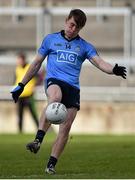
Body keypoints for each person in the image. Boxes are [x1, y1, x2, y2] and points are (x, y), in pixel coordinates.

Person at [11, 9, 127, 174]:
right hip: (54, 81)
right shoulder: (50, 40)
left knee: (65, 128)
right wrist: (21, 85)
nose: (73, 29)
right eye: (72, 24)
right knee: (55, 97)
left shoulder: (85, 47)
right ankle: (38, 140)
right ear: (66, 21)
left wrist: (113, 69)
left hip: (73, 87)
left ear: (80, 29)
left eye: (77, 27)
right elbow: (36, 63)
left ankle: (51, 164)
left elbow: (100, 63)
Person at [14, 52, 39, 132]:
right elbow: (16, 80)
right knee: (20, 114)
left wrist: (34, 86)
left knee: (33, 114)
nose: (19, 62)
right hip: (20, 95)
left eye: (20, 60)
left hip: (29, 95)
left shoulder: (29, 67)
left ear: (24, 60)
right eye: (18, 60)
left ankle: (39, 129)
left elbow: (38, 77)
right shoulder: (17, 68)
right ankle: (20, 131)